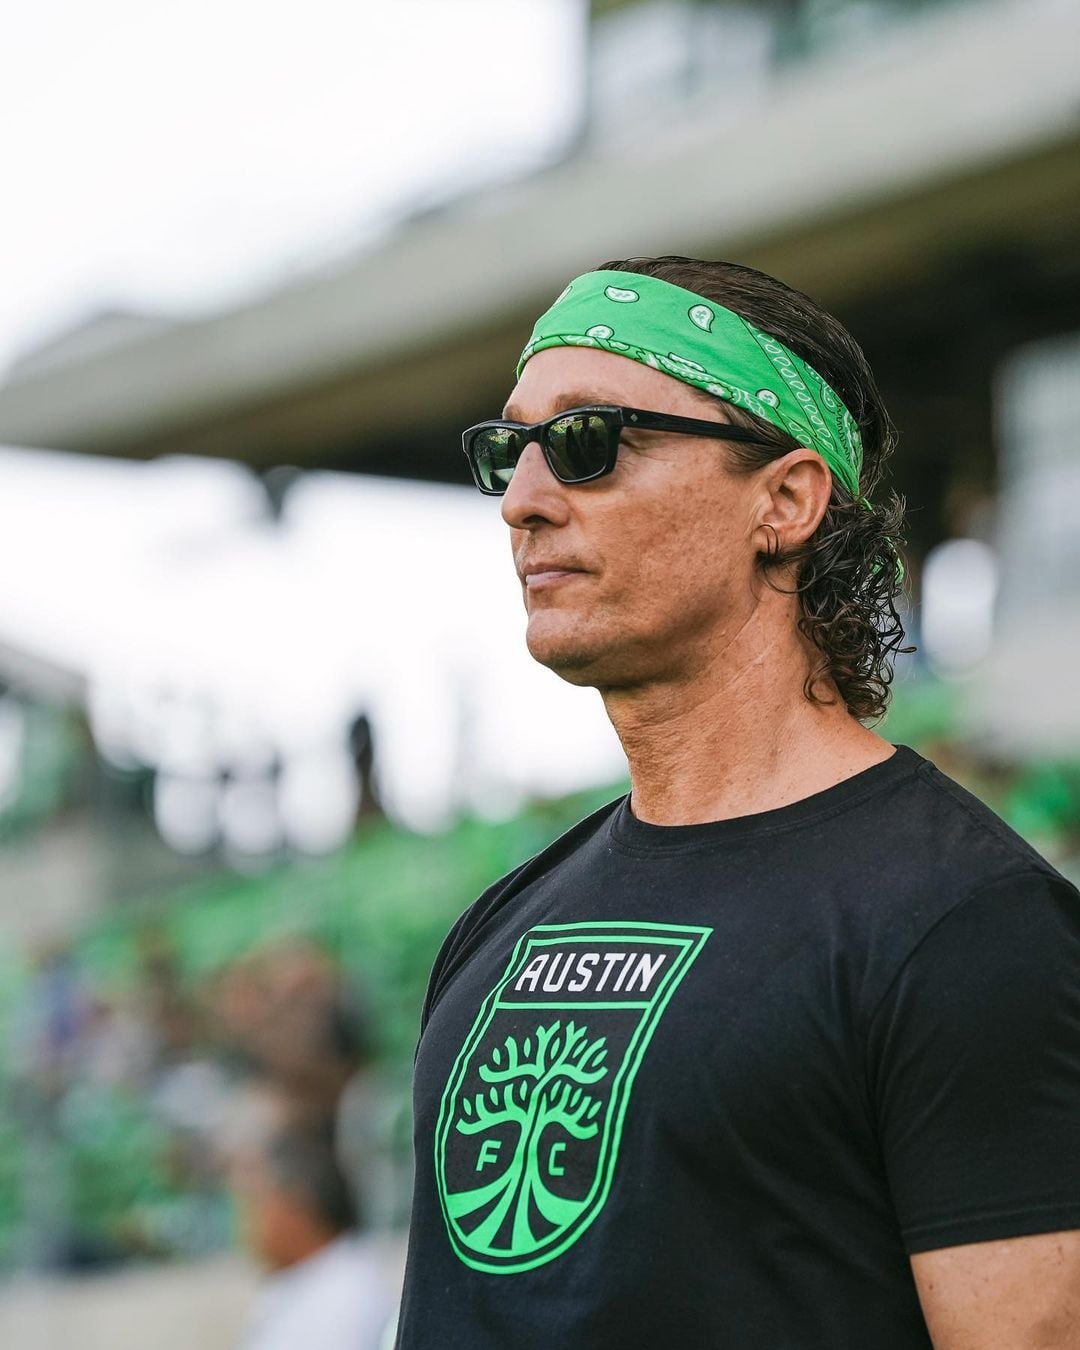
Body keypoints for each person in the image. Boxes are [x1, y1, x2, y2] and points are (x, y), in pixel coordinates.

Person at [394, 257, 1080, 1348]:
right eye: (508, 451)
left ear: (786, 500)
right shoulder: (503, 924)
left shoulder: (966, 924)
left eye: (588, 441)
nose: (523, 501)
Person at [232, 1116, 396, 1350]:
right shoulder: (295, 1284)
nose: (249, 1221)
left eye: (258, 1201)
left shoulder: (348, 1295)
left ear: (296, 1203)